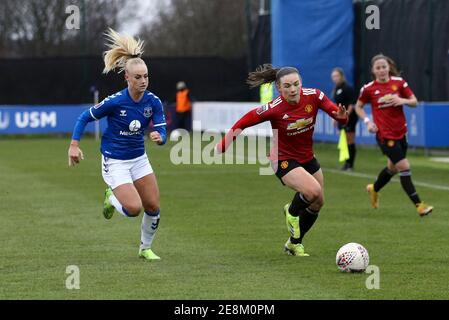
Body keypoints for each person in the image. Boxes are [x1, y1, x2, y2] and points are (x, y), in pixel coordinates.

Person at [216, 64, 348, 257]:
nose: (293, 89)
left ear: (301, 83)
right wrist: (224, 143)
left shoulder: (315, 96)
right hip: (283, 159)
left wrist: (342, 118)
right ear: (279, 88)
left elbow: (337, 114)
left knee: (318, 202)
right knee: (313, 191)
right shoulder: (274, 108)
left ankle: (294, 243)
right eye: (287, 86)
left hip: (307, 157)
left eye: (296, 84)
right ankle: (292, 212)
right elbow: (244, 121)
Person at [67, 28, 167, 261]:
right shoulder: (115, 101)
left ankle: (145, 249)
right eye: (138, 77)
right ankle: (111, 197)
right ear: (127, 78)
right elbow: (85, 117)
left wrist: (160, 137)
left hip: (139, 159)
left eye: (146, 76)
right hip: (115, 161)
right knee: (133, 209)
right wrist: (73, 145)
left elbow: (161, 127)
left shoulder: (153, 102)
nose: (143, 81)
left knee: (153, 206)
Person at [355, 54, 433, 216]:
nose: (382, 70)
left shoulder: (399, 83)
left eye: (384, 66)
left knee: (392, 168)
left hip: (401, 133)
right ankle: (419, 205)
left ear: (389, 67)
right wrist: (368, 122)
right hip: (385, 135)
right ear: (373, 70)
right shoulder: (368, 88)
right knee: (404, 166)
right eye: (378, 67)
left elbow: (414, 101)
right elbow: (359, 107)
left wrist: (401, 100)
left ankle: (374, 188)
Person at [331, 67, 358, 171]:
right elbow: (338, 105)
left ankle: (350, 164)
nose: (335, 78)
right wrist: (335, 118)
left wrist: (346, 116)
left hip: (350, 117)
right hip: (341, 117)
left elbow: (351, 104)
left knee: (350, 140)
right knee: (345, 140)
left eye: (337, 76)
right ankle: (347, 163)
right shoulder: (337, 89)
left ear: (342, 76)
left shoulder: (348, 88)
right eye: (333, 76)